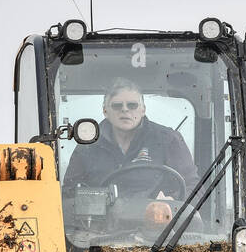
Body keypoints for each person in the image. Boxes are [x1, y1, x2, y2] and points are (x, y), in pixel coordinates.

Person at [61, 78, 198, 202]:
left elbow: (193, 187)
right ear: (105, 111)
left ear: (143, 110)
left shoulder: (168, 140)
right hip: (98, 227)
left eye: (132, 105)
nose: (125, 110)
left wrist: (172, 201)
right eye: (117, 105)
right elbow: (69, 193)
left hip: (158, 226)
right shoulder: (87, 145)